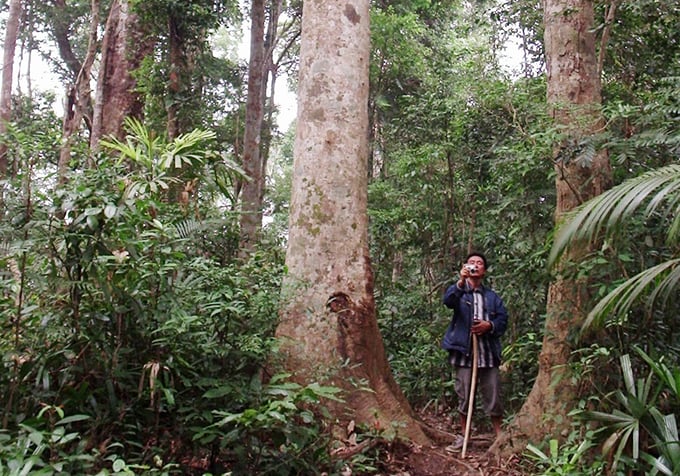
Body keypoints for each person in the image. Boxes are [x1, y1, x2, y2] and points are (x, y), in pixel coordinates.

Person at [441, 252, 508, 452]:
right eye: (471, 263)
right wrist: (461, 281)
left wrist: (490, 325)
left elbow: (503, 320)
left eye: (479, 263)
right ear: (465, 268)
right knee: (464, 394)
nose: (475, 266)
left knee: (493, 393)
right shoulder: (459, 292)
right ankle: (464, 436)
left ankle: (499, 435)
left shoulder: (492, 297)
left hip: (488, 354)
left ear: (484, 271)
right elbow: (448, 301)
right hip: (464, 353)